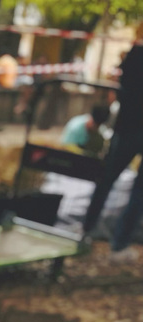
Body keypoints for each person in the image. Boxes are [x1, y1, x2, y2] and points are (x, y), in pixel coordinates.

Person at [82, 25, 143, 259]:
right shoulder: (136, 54)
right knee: (135, 190)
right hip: (129, 128)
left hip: (127, 127)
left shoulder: (135, 55)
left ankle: (87, 230)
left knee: (107, 180)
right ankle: (118, 243)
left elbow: (121, 86)